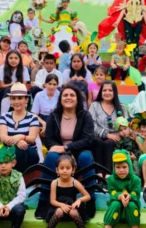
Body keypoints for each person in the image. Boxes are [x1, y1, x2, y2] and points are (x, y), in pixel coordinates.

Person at [35, 84, 95, 220]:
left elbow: (88, 139)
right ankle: (43, 201)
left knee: (86, 156)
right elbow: (49, 139)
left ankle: (90, 201)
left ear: (78, 99)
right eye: (65, 95)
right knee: (50, 157)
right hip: (60, 154)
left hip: (79, 151)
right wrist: (64, 153)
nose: (68, 97)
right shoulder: (54, 115)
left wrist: (68, 149)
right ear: (60, 98)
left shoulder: (85, 115)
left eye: (72, 95)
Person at [0, 83, 40, 175]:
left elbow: (31, 139)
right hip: (8, 151)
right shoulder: (5, 116)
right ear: (10, 100)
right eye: (13, 98)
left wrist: (20, 136)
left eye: (20, 98)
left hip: (29, 152)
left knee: (17, 151)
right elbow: (3, 137)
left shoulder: (33, 117)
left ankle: (13, 183)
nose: (16, 101)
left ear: (26, 100)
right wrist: (17, 141)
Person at [89, 81, 128, 178]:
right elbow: (91, 124)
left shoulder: (121, 107)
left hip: (116, 138)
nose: (107, 93)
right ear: (100, 92)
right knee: (97, 141)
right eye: (104, 90)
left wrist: (121, 133)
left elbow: (126, 124)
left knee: (109, 143)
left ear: (115, 92)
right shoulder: (95, 105)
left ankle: (107, 175)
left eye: (110, 90)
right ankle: (98, 174)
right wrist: (106, 134)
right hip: (97, 136)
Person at [0, 145, 27, 228]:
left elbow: (21, 195)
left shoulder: (19, 177)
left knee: (20, 210)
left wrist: (9, 207)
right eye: (0, 163)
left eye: (6, 162)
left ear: (13, 163)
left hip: (13, 207)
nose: (3, 166)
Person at [46, 154, 91, 228]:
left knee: (74, 213)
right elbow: (52, 201)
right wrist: (62, 205)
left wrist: (79, 200)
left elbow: (88, 196)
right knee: (59, 211)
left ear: (73, 170)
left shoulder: (75, 182)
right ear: (57, 170)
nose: (64, 171)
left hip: (71, 207)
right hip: (58, 207)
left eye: (68, 168)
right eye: (62, 168)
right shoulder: (54, 182)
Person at [104, 150, 141, 228]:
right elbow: (112, 193)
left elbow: (136, 194)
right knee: (115, 204)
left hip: (131, 210)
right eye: (118, 167)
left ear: (130, 166)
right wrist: (119, 196)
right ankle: (108, 226)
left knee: (131, 205)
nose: (121, 170)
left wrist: (130, 196)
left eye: (124, 167)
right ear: (114, 168)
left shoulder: (136, 180)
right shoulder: (111, 179)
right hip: (116, 212)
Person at [0, 50, 31, 115]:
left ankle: (23, 115)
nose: (13, 60)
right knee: (7, 90)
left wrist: (16, 86)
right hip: (6, 89)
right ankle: (3, 116)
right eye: (11, 58)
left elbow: (23, 85)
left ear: (19, 59)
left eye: (16, 58)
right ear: (7, 59)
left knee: (25, 93)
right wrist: (12, 84)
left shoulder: (24, 69)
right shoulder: (2, 68)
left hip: (19, 89)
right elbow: (2, 85)